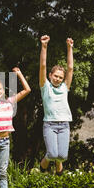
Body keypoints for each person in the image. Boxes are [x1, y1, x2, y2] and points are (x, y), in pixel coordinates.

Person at [38, 35, 74, 175]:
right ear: (50, 75)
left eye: (60, 77)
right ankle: (43, 169)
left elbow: (70, 68)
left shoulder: (65, 87)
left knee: (63, 156)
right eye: (56, 76)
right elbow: (42, 66)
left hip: (64, 124)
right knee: (52, 154)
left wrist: (69, 48)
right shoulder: (45, 86)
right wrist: (44, 47)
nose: (58, 79)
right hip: (50, 124)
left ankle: (59, 167)